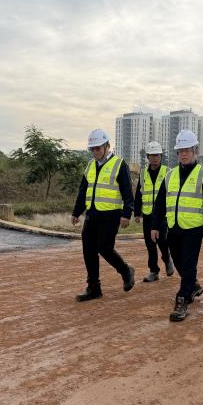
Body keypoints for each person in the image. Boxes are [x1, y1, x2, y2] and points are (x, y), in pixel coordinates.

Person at [151, 130, 203, 321]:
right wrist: (155, 225)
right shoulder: (170, 175)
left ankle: (182, 299)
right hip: (174, 227)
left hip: (194, 228)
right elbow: (160, 203)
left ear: (195, 150)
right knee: (179, 261)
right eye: (180, 151)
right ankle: (193, 286)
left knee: (188, 264)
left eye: (187, 150)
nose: (183, 154)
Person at [72, 129, 136, 301]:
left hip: (111, 215)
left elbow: (127, 192)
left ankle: (126, 271)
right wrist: (76, 212)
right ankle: (94, 287)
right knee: (88, 249)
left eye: (98, 148)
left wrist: (127, 214)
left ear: (107, 146)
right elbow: (83, 190)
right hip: (92, 214)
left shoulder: (119, 164)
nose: (95, 152)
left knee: (105, 248)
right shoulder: (90, 166)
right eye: (92, 149)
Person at [133, 141, 174, 282]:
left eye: (157, 155)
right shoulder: (143, 173)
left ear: (161, 156)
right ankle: (153, 271)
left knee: (162, 240)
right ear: (147, 157)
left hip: (163, 214)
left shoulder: (168, 172)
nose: (155, 158)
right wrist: (137, 212)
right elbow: (139, 194)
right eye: (152, 155)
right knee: (150, 243)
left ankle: (167, 259)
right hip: (148, 214)